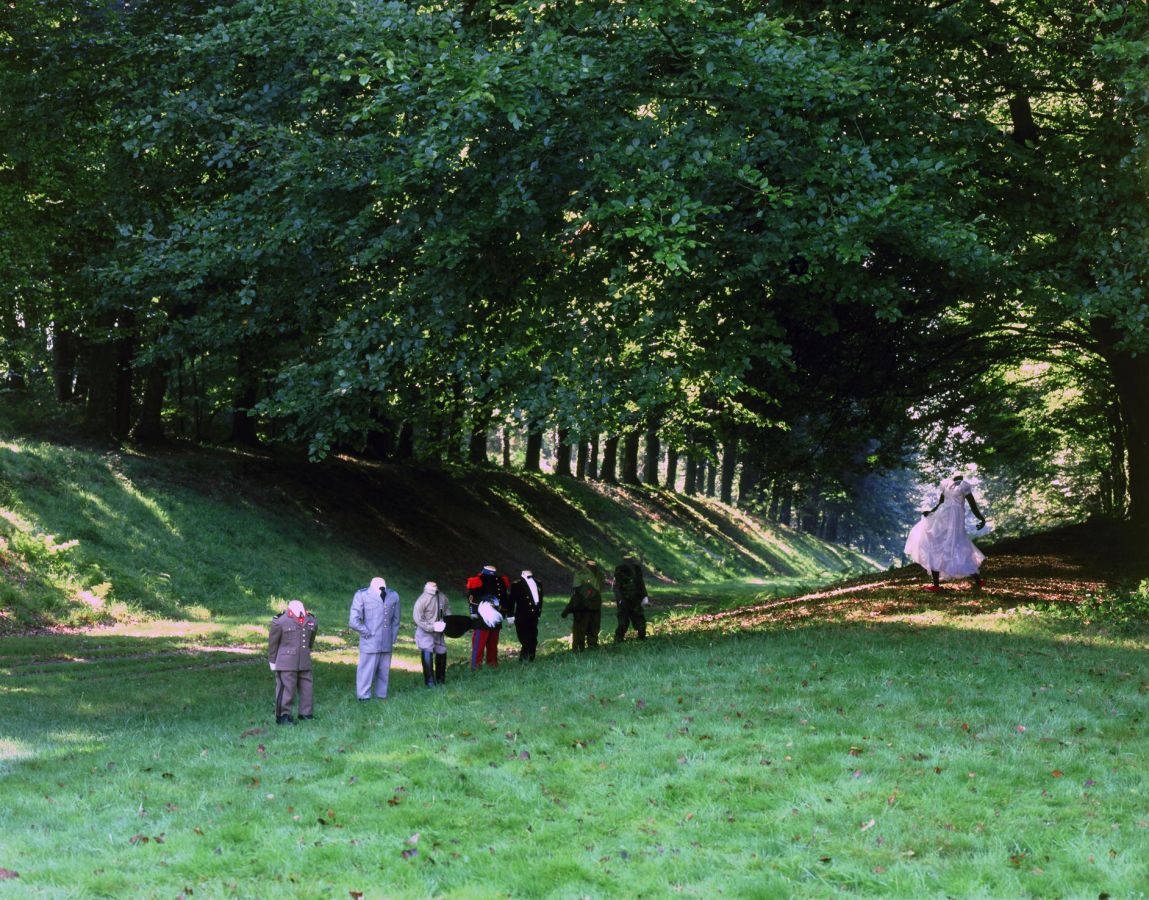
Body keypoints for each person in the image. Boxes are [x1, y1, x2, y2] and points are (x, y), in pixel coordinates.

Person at [904, 473, 987, 591]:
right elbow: (941, 503)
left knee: (958, 545)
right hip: (942, 518)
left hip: (955, 520)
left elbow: (973, 505)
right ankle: (936, 585)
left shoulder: (964, 486)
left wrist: (981, 518)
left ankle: (978, 581)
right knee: (936, 544)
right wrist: (931, 512)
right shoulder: (946, 485)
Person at [348, 576, 401, 700]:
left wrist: (392, 638)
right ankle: (363, 697)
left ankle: (381, 696)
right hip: (370, 641)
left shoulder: (393, 596)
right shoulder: (362, 595)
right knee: (366, 671)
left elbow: (396, 620)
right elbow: (353, 621)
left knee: (384, 672)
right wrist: (366, 632)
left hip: (386, 642)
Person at [268, 599, 317, 724]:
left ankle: (306, 713)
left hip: (304, 660)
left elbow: (310, 641)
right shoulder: (281, 621)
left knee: (307, 688)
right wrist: (272, 660)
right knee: (287, 689)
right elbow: (273, 643)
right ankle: (283, 716)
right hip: (286, 662)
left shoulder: (311, 620)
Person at [466, 565, 510, 669]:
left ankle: (492, 664)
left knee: (493, 643)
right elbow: (472, 598)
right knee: (479, 642)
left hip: (497, 616)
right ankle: (476, 665)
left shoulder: (501, 580)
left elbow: (504, 597)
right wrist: (473, 611)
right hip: (482, 616)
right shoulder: (478, 580)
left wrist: (504, 611)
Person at [412, 581, 450, 687]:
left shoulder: (442, 597)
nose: (434, 587)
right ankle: (429, 682)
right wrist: (431, 627)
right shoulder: (422, 599)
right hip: (425, 632)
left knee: (441, 650)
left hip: (439, 632)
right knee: (427, 649)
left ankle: (441, 680)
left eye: (435, 585)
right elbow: (417, 618)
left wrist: (446, 623)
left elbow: (447, 610)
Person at [562, 571, 602, 653]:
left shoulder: (578, 591)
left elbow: (573, 602)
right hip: (593, 611)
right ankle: (592, 646)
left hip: (581, 614)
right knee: (592, 631)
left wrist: (565, 612)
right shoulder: (595, 592)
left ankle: (578, 648)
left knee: (579, 632)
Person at [613, 553, 649, 642]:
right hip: (625, 599)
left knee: (638, 619)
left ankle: (641, 636)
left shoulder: (636, 568)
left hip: (634, 599)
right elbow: (617, 586)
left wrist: (644, 596)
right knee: (624, 620)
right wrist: (620, 599)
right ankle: (619, 638)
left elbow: (640, 583)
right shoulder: (620, 569)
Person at [509, 570, 544, 661]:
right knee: (525, 639)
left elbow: (540, 600)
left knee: (533, 638)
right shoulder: (517, 584)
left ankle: (531, 658)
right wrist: (510, 615)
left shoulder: (538, 583)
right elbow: (511, 600)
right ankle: (524, 659)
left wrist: (538, 614)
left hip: (534, 615)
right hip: (522, 615)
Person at [570, 559, 605, 648]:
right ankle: (578, 647)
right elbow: (577, 588)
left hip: (596, 604)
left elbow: (601, 587)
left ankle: (593, 644)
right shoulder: (580, 574)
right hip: (583, 604)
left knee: (594, 625)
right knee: (580, 626)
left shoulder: (600, 574)